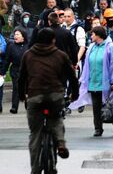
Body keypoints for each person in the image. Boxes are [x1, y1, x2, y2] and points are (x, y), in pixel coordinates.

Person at [19, 27, 79, 169]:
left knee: (35, 134)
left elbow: (21, 78)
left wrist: (22, 95)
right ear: (53, 40)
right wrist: (74, 94)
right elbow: (72, 77)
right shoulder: (60, 55)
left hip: (35, 96)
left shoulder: (28, 55)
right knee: (56, 118)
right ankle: (61, 142)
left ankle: (35, 170)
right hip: (55, 95)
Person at [69, 26, 113, 136]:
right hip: (93, 82)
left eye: (92, 34)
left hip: (107, 82)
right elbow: (87, 65)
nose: (91, 36)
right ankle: (98, 128)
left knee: (111, 105)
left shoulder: (111, 47)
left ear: (98, 35)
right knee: (96, 107)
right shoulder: (92, 48)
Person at [1, 28, 28, 114]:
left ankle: (28, 104)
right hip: (15, 70)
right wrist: (2, 73)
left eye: (17, 34)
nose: (15, 36)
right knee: (16, 88)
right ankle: (14, 107)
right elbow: (7, 60)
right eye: (15, 34)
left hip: (27, 70)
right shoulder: (11, 46)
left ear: (23, 37)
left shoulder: (29, 45)